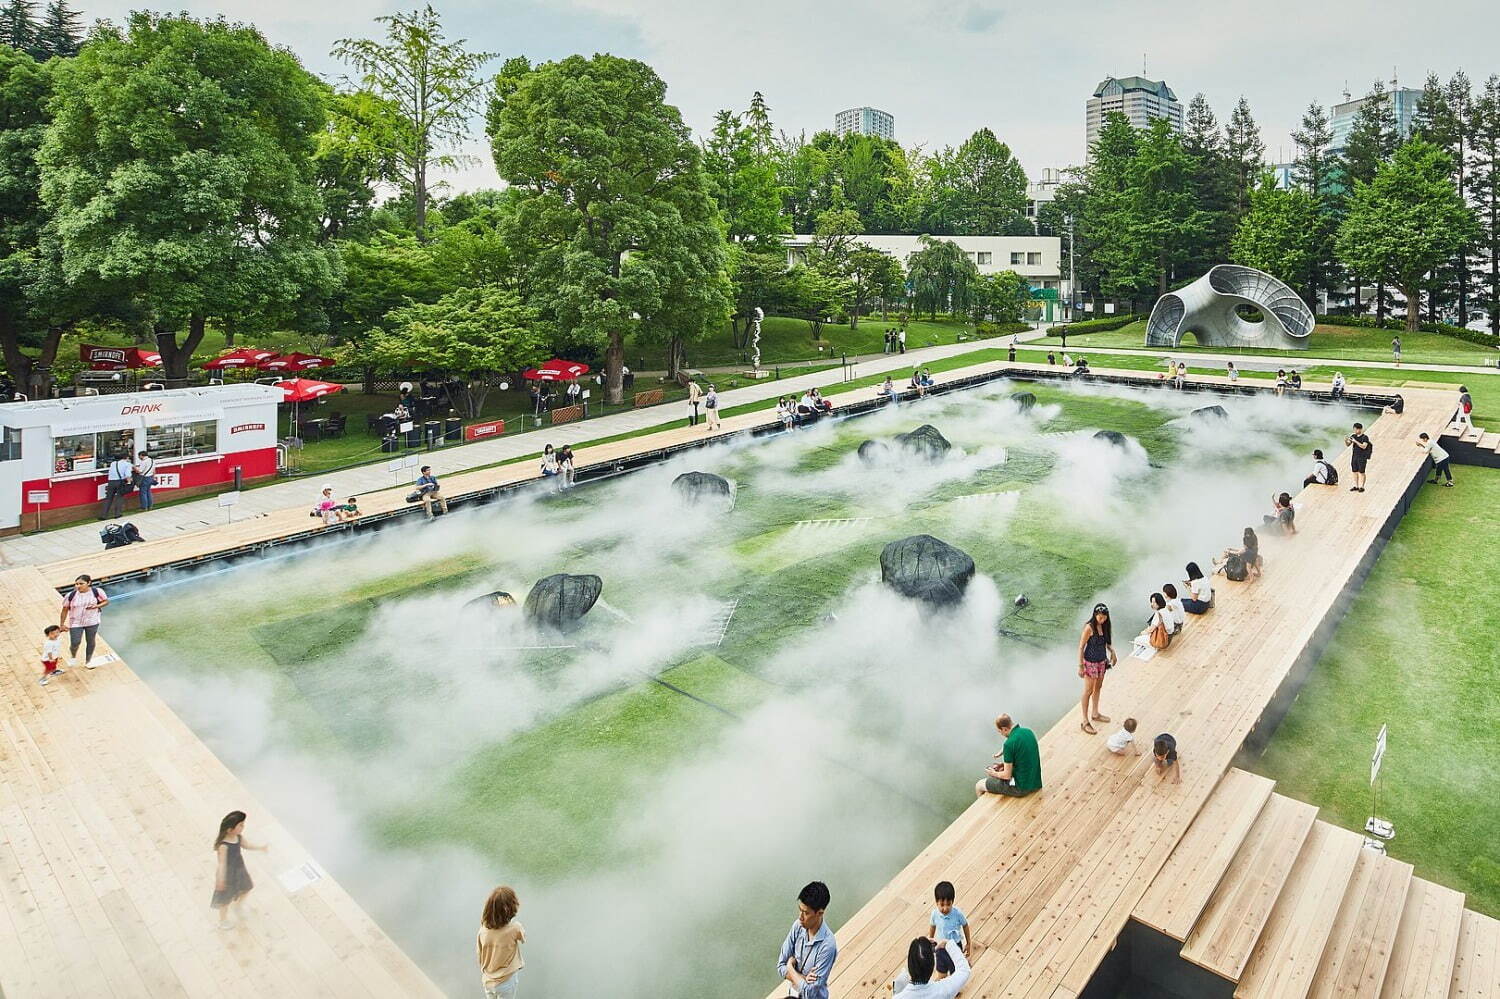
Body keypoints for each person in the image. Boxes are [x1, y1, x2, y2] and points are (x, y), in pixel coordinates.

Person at [777, 881, 836, 999]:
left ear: (819, 913)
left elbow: (811, 993)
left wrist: (790, 968)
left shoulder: (828, 945)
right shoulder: (798, 926)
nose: (800, 917)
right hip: (793, 994)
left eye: (806, 913)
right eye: (800, 910)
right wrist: (803, 979)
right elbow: (780, 966)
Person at [210, 810, 265, 929]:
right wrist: (220, 880)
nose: (243, 827)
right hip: (228, 876)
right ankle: (222, 921)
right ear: (230, 829)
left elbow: (247, 845)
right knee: (225, 900)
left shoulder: (238, 837)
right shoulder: (223, 846)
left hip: (240, 871)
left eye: (243, 824)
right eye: (240, 825)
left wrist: (260, 848)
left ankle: (238, 906)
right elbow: (222, 864)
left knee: (247, 887)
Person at [975, 714, 1042, 797]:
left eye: (1000, 732)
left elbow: (1007, 776)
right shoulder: (1028, 731)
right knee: (1002, 770)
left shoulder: (1008, 745)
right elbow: (1024, 758)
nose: (1001, 734)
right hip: (1036, 783)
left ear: (1004, 729)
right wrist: (1004, 765)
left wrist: (993, 773)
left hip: (1021, 788)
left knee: (979, 785)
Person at [477, 885, 525, 998]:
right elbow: (523, 938)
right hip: (506, 981)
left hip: (488, 981)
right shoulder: (515, 928)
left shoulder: (483, 930)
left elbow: (479, 953)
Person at [1075, 604, 1116, 734]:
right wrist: (1080, 665)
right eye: (1099, 617)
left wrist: (1112, 652)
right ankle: (1084, 720)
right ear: (1095, 615)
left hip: (1101, 661)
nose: (1102, 620)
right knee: (1088, 691)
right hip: (1090, 662)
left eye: (1104, 617)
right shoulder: (1089, 627)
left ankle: (1095, 713)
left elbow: (1106, 643)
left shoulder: (1104, 626)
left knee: (1098, 687)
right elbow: (1081, 647)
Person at [891, 937, 971, 997]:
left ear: (910, 964)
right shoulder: (944, 990)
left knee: (901, 980)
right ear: (932, 966)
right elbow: (964, 970)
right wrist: (948, 944)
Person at [60, 574, 108, 668]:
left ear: (89, 583)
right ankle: (73, 657)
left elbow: (106, 601)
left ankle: (88, 661)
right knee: (75, 642)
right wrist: (61, 624)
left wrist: (97, 606)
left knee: (90, 641)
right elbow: (65, 609)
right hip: (75, 622)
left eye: (81, 584)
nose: (78, 586)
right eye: (76, 584)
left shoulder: (97, 592)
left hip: (92, 621)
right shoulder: (71, 595)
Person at [928, 881, 969, 954]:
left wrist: (968, 943)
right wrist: (930, 942)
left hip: (955, 944)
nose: (945, 908)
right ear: (937, 902)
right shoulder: (935, 914)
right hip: (941, 945)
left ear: (952, 902)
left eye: (948, 904)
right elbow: (932, 927)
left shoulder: (957, 914)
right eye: (942, 904)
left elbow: (965, 925)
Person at [99, 450, 134, 520]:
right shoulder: (127, 464)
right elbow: (128, 475)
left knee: (108, 498)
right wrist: (130, 482)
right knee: (119, 498)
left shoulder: (113, 463)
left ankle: (103, 515)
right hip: (120, 482)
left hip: (111, 482)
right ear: (126, 458)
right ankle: (117, 514)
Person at [1346, 422, 1372, 492]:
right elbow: (1348, 444)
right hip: (1354, 456)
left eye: (1355, 429)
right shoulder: (1353, 436)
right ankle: (1356, 486)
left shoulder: (1365, 437)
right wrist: (1346, 441)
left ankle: (1362, 486)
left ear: (1359, 429)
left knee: (1361, 472)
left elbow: (1364, 446)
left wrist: (1355, 441)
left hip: (1362, 457)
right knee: (1354, 471)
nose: (1354, 431)